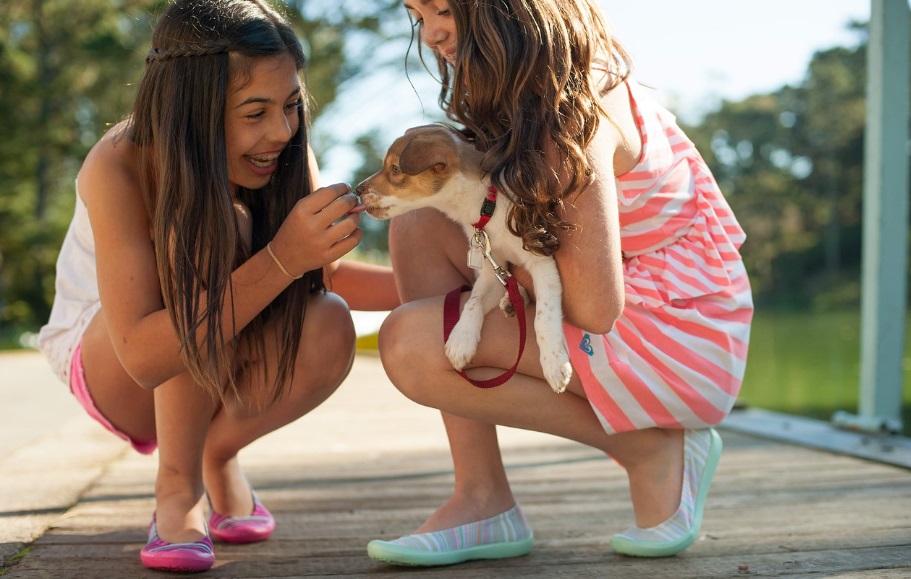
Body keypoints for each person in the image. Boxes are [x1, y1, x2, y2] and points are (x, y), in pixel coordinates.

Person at [366, 0, 753, 566]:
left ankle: (647, 448)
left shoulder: (573, 115)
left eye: (443, 9)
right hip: (653, 314)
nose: (429, 34)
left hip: (681, 338)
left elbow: (596, 307)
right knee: (422, 221)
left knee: (413, 344)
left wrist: (503, 273)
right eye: (417, 15)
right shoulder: (530, 98)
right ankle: (482, 497)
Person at [36, 0, 397, 573]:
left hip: (213, 348)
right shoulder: (120, 161)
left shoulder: (281, 153)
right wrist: (281, 256)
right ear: (191, 108)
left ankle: (217, 453)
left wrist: (454, 286)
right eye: (255, 112)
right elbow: (142, 357)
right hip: (114, 363)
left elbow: (320, 275)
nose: (281, 131)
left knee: (328, 319)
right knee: (208, 225)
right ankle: (178, 487)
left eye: (291, 106)